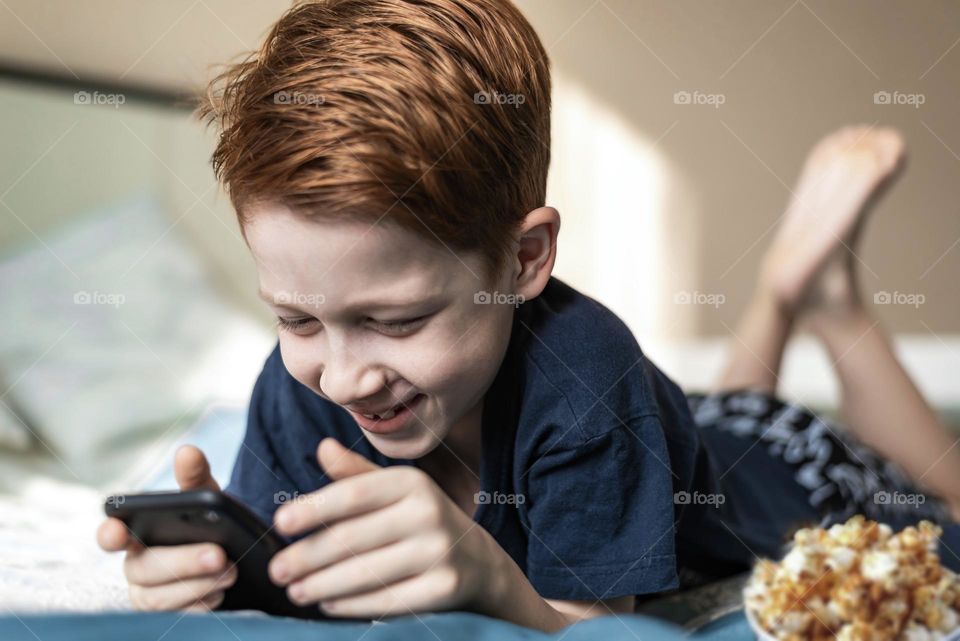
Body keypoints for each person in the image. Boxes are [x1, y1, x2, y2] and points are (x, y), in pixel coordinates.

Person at [96, 0, 960, 631]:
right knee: (709, 421)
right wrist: (216, 576)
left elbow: (592, 626)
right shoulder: (301, 390)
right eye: (297, 319)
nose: (345, 375)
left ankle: (829, 301)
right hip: (684, 433)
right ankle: (779, 295)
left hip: (784, 473)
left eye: (396, 321)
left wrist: (485, 574)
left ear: (523, 260)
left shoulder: (586, 378)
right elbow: (296, 588)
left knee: (936, 502)